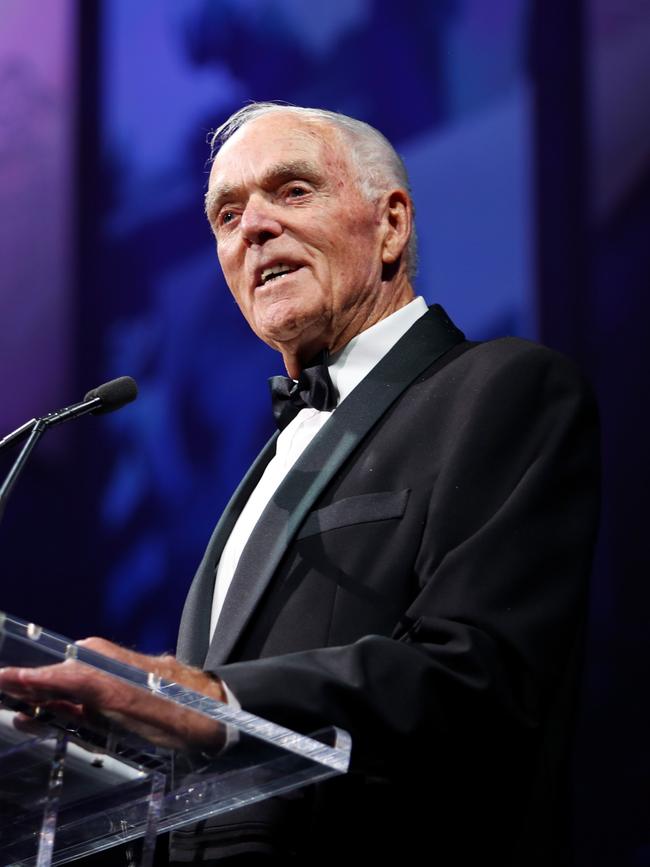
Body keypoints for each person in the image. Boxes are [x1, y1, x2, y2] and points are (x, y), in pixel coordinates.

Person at [0, 103, 600, 866]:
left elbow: (480, 678)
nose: (251, 228)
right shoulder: (273, 456)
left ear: (390, 225)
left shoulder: (504, 390)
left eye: (291, 191)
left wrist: (208, 700)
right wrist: (110, 741)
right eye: (227, 214)